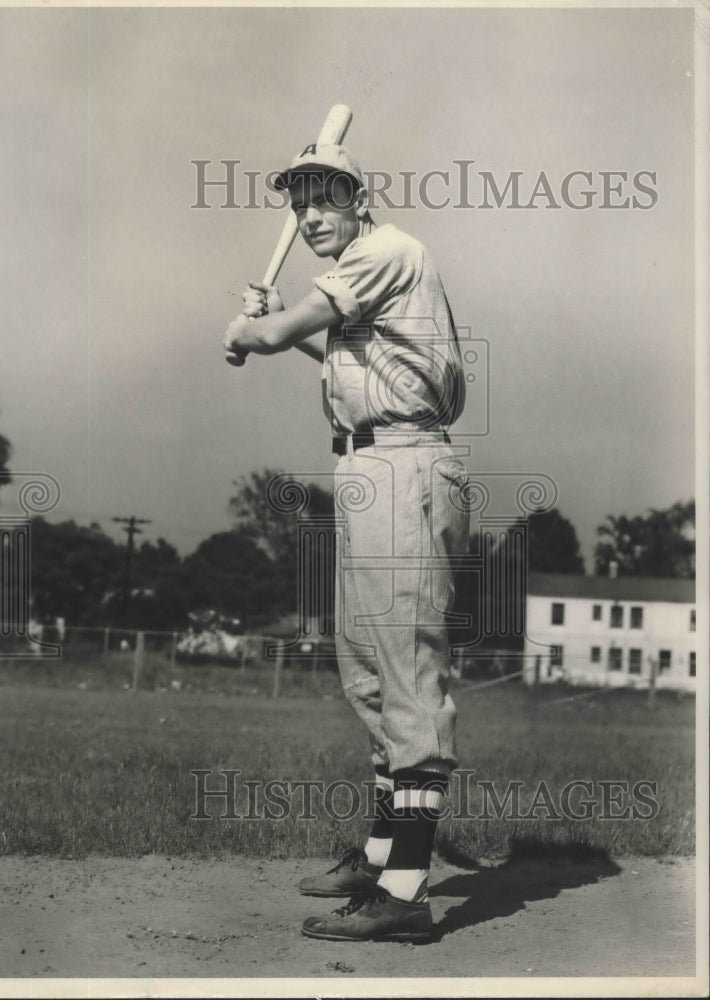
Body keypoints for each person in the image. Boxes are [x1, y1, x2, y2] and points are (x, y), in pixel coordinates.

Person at [223, 142, 470, 942]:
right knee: (365, 670)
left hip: (409, 463)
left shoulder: (390, 250)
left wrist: (255, 329)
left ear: (362, 201)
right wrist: (271, 329)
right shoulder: (363, 283)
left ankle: (407, 893)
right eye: (300, 205)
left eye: (325, 200)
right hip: (367, 469)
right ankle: (378, 852)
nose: (310, 217)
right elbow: (325, 346)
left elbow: (297, 324)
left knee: (405, 668)